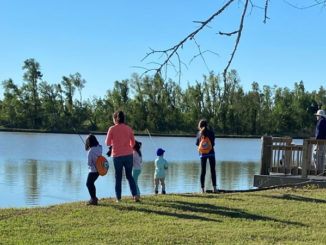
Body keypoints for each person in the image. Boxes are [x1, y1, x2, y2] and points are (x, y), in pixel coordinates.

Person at [105, 110, 139, 202]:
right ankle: (135, 195)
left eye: (113, 118)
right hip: (128, 155)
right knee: (129, 176)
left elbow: (107, 143)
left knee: (118, 177)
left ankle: (118, 198)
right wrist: (128, 147)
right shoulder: (128, 128)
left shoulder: (112, 129)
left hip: (117, 156)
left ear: (116, 119)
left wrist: (114, 142)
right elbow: (133, 143)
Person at [196, 119, 218, 193]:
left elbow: (197, 144)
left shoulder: (199, 133)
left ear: (200, 126)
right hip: (211, 153)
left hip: (202, 154)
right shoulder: (211, 132)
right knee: (213, 170)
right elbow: (213, 143)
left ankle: (202, 190)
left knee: (203, 171)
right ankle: (214, 189)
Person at [85, 134, 102, 205]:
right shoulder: (99, 147)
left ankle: (93, 199)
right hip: (99, 170)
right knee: (91, 183)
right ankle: (94, 198)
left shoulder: (90, 152)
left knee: (88, 184)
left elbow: (89, 163)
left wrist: (89, 151)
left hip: (93, 171)